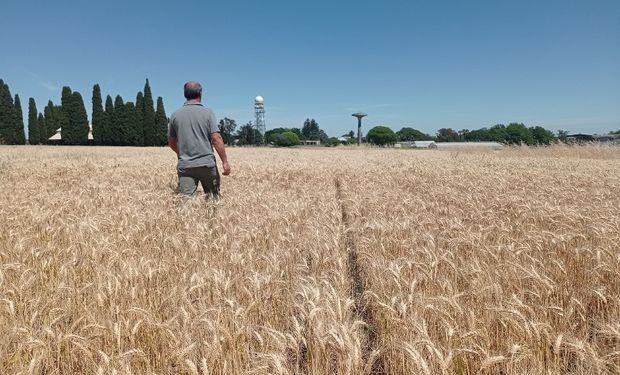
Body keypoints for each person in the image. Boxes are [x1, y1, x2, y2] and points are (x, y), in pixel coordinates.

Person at [168, 81, 230, 198]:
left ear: (185, 94)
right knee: (213, 199)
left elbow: (171, 142)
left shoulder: (175, 115)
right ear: (200, 93)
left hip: (185, 165)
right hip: (207, 165)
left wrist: (182, 154)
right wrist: (225, 162)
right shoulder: (208, 113)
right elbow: (216, 138)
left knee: (185, 203)